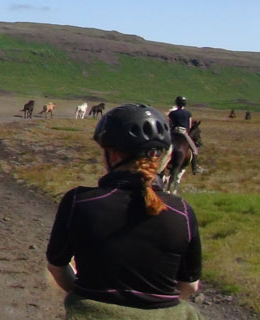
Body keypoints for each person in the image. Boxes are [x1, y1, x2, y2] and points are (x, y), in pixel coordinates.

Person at [46, 104, 202, 319]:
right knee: (193, 148)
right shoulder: (182, 211)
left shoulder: (78, 202)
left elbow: (57, 267)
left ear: (114, 155)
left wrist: (83, 295)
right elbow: (190, 286)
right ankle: (196, 163)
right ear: (161, 156)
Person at [168, 96, 204, 174]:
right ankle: (195, 168)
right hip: (183, 133)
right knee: (194, 150)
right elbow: (190, 126)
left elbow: (170, 124)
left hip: (173, 133)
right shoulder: (188, 113)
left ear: (176, 103)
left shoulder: (172, 113)